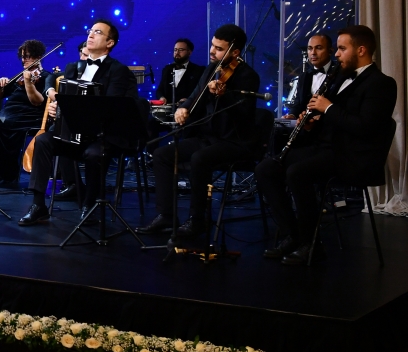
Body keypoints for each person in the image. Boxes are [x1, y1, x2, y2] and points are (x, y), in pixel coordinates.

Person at [256, 25, 397, 265]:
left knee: (297, 172)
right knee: (266, 169)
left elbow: (365, 127)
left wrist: (328, 108)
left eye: (342, 48)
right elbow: (335, 119)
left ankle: (311, 244)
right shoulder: (340, 77)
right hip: (326, 149)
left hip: (353, 156)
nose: (337, 54)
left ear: (361, 50)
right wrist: (312, 123)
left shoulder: (381, 83)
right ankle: (293, 235)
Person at [137, 24, 260, 239]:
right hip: (208, 138)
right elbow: (196, 96)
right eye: (212, 45)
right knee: (161, 154)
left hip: (233, 141)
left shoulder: (248, 76)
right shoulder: (212, 69)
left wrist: (224, 95)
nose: (212, 51)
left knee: (199, 158)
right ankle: (166, 215)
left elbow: (243, 116)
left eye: (219, 49)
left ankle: (197, 220)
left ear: (235, 52)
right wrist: (184, 109)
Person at [18, 21, 138, 226]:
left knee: (94, 154)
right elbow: (62, 92)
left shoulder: (118, 70)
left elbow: (112, 107)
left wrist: (73, 108)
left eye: (97, 32)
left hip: (101, 135)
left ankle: (90, 206)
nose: (90, 35)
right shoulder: (74, 67)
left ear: (110, 43)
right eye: (90, 31)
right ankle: (38, 205)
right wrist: (57, 108)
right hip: (73, 133)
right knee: (43, 141)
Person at [0, 39, 47, 184]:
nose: (24, 60)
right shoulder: (20, 76)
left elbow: (37, 101)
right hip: (9, 112)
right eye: (22, 57)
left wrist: (29, 83)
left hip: (29, 115)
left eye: (27, 56)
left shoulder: (45, 77)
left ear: (38, 57)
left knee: (1, 125)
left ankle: (6, 175)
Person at [284, 34, 336, 119]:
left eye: (319, 48)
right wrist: (292, 115)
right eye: (310, 48)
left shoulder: (340, 73)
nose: (313, 53)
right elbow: (298, 104)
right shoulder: (304, 76)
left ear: (330, 51)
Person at [156, 39, 205, 106]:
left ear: (189, 52)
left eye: (181, 50)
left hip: (188, 109)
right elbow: (159, 90)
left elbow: (201, 92)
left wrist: (189, 100)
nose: (177, 53)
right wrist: (161, 97)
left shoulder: (198, 70)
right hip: (168, 109)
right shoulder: (167, 69)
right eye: (175, 50)